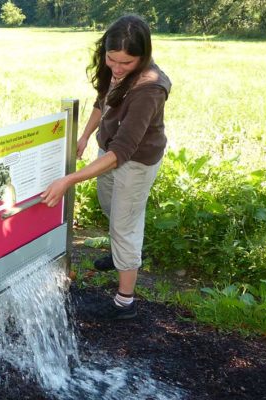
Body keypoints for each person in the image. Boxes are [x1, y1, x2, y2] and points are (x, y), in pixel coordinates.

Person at [40, 15, 172, 319]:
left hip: (136, 160)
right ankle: (121, 253)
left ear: (143, 56)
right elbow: (103, 100)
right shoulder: (112, 68)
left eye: (126, 63)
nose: (117, 68)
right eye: (112, 60)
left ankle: (124, 302)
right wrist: (85, 136)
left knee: (125, 225)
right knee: (110, 204)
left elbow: (123, 151)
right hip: (109, 149)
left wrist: (68, 180)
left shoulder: (150, 88)